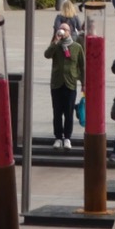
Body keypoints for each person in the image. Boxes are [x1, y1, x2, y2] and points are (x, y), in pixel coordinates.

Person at [44, 23, 84, 151]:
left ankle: (67, 138)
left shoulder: (76, 47)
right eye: (60, 29)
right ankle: (58, 138)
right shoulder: (56, 46)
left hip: (70, 83)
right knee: (57, 112)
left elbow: (82, 66)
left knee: (68, 112)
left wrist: (84, 83)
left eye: (64, 29)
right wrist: (55, 42)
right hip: (56, 83)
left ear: (70, 31)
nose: (61, 31)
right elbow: (47, 55)